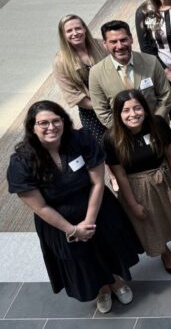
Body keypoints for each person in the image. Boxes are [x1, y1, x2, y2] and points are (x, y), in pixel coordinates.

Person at [7, 101, 142, 313]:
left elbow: (98, 182)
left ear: (64, 121)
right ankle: (102, 288)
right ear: (32, 127)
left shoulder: (81, 140)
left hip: (97, 207)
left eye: (55, 121)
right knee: (82, 259)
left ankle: (116, 281)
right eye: (43, 123)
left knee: (107, 247)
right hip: (59, 222)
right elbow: (40, 207)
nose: (51, 127)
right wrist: (73, 230)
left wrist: (88, 221)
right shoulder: (22, 162)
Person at [104, 90, 171, 276]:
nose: (133, 114)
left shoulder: (157, 124)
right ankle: (165, 253)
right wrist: (132, 203)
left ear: (145, 108)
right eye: (126, 110)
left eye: (137, 108)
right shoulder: (111, 139)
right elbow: (120, 175)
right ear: (118, 114)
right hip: (137, 186)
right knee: (152, 222)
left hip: (164, 177)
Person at [89, 20, 171, 128]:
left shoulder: (151, 62)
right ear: (105, 44)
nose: (119, 46)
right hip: (126, 136)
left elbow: (165, 96)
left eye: (123, 40)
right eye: (113, 42)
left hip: (157, 128)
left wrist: (155, 122)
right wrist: (125, 131)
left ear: (131, 39)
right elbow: (102, 111)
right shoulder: (96, 73)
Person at [53, 14, 109, 142]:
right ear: (63, 35)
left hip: (117, 105)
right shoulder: (60, 62)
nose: (75, 33)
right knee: (103, 151)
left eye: (78, 28)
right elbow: (73, 95)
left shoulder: (102, 45)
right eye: (69, 31)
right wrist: (103, 107)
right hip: (91, 113)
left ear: (84, 29)